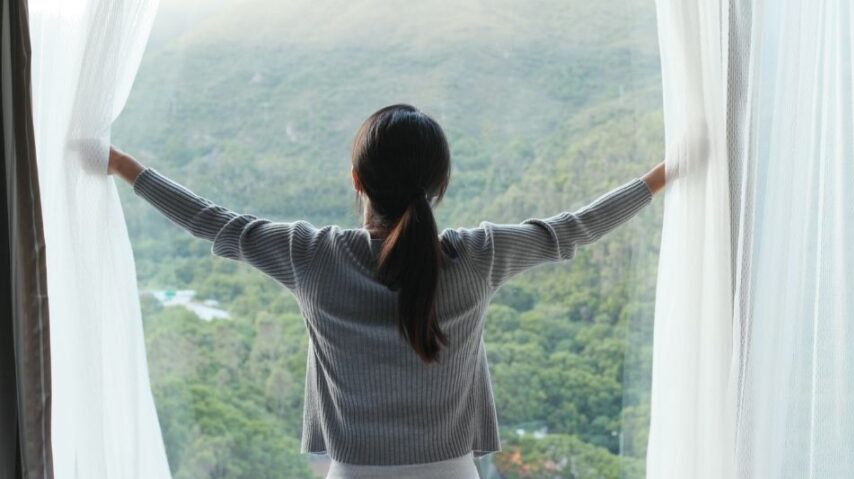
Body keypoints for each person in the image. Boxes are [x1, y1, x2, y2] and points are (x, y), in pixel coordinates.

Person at [108, 103, 666, 479]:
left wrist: (125, 167)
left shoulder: (313, 256)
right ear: (439, 186)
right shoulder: (479, 258)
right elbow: (574, 229)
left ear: (357, 180)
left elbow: (214, 223)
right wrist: (660, 177)